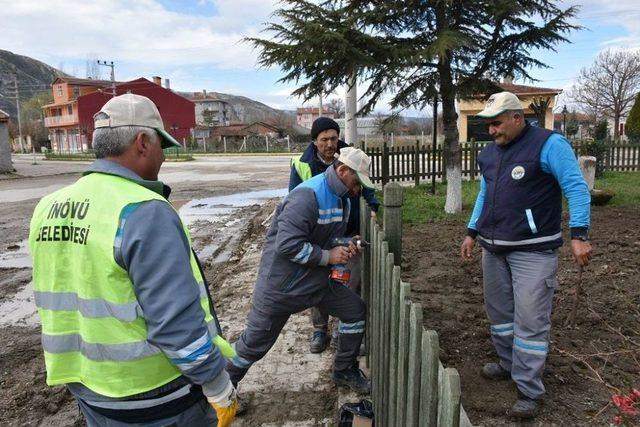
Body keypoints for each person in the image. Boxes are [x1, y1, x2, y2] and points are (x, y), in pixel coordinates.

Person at [29, 93, 237, 426]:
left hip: (87, 387)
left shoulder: (48, 206)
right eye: (161, 147)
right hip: (154, 396)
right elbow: (176, 323)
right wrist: (215, 381)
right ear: (142, 142)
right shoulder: (144, 210)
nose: (163, 158)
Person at [460, 91, 592, 419]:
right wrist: (471, 231)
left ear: (518, 118)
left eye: (497, 124)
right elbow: (486, 193)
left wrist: (579, 235)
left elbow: (575, 187)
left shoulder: (549, 145)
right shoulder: (489, 154)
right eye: (488, 125)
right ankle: (507, 363)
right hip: (493, 248)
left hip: (534, 251)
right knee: (501, 316)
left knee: (531, 321)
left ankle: (529, 388)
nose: (491, 131)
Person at [226, 147, 374, 395]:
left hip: (316, 283)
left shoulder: (341, 199)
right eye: (357, 181)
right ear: (343, 170)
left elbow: (327, 237)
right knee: (254, 345)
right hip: (282, 287)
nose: (358, 189)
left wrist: (346, 243)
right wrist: (329, 256)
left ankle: (344, 370)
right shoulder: (307, 196)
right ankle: (222, 386)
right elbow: (287, 245)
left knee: (355, 311)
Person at [290, 117, 379, 353]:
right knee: (318, 281)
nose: (330, 144)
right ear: (314, 141)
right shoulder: (302, 164)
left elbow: (364, 186)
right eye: (324, 139)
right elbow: (294, 198)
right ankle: (320, 329)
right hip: (318, 235)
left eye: (333, 138)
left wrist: (373, 209)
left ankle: (343, 329)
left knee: (348, 281)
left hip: (347, 231)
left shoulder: (349, 156)